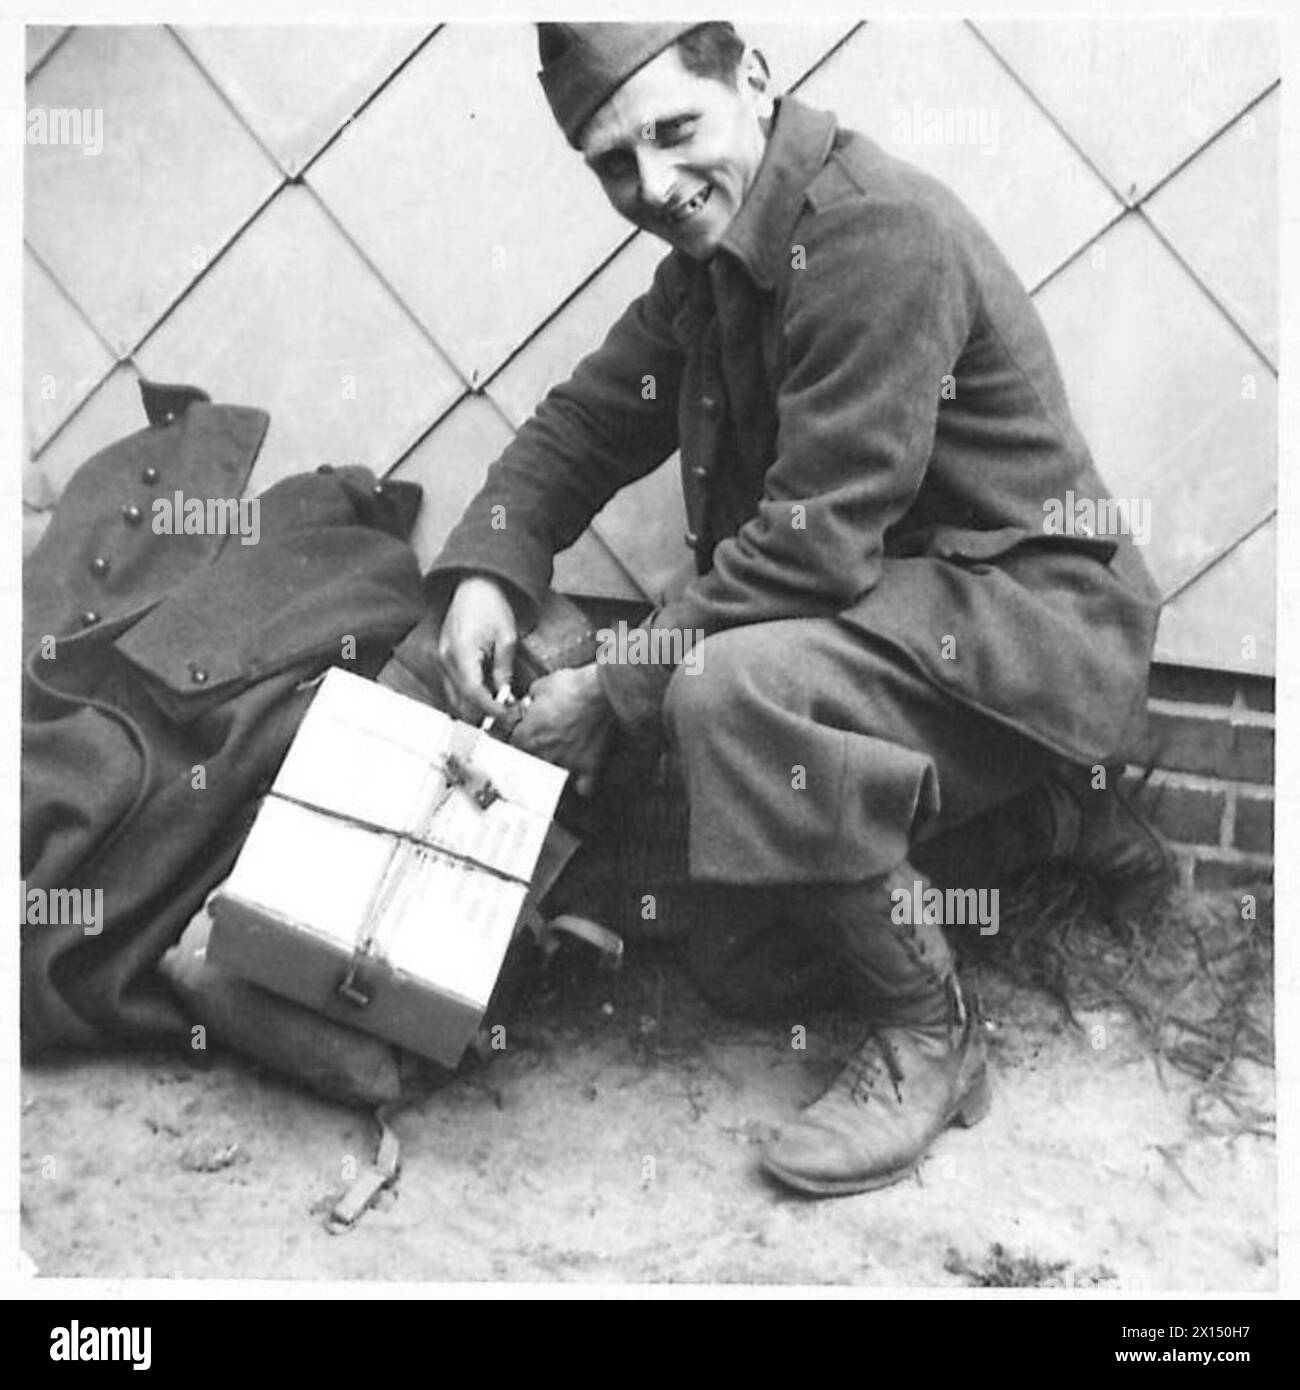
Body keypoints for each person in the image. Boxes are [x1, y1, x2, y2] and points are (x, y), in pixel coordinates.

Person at [417, 21, 1170, 1195]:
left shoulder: (873, 234)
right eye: (615, 163)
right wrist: (484, 570)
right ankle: (1043, 831)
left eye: (676, 132)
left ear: (754, 83)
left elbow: (811, 548)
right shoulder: (711, 272)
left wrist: (611, 691)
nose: (654, 187)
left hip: (1030, 627)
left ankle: (932, 1035)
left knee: (728, 687)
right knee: (740, 965)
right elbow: (579, 427)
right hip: (904, 628)